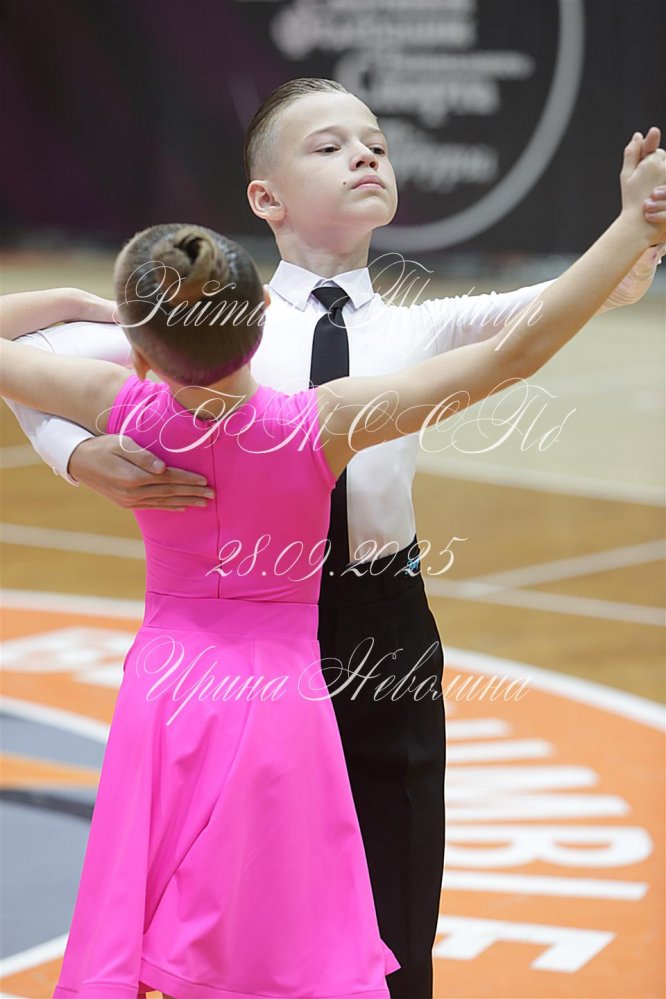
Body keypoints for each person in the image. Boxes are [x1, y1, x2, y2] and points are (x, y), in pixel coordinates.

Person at [4, 80, 666, 999]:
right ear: (264, 197)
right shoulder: (216, 321)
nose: (364, 154)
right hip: (255, 639)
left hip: (380, 621)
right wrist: (75, 456)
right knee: (235, 910)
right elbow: (42, 379)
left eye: (376, 143)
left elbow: (568, 303)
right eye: (328, 145)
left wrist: (638, 231)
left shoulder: (424, 323)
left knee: (396, 895)